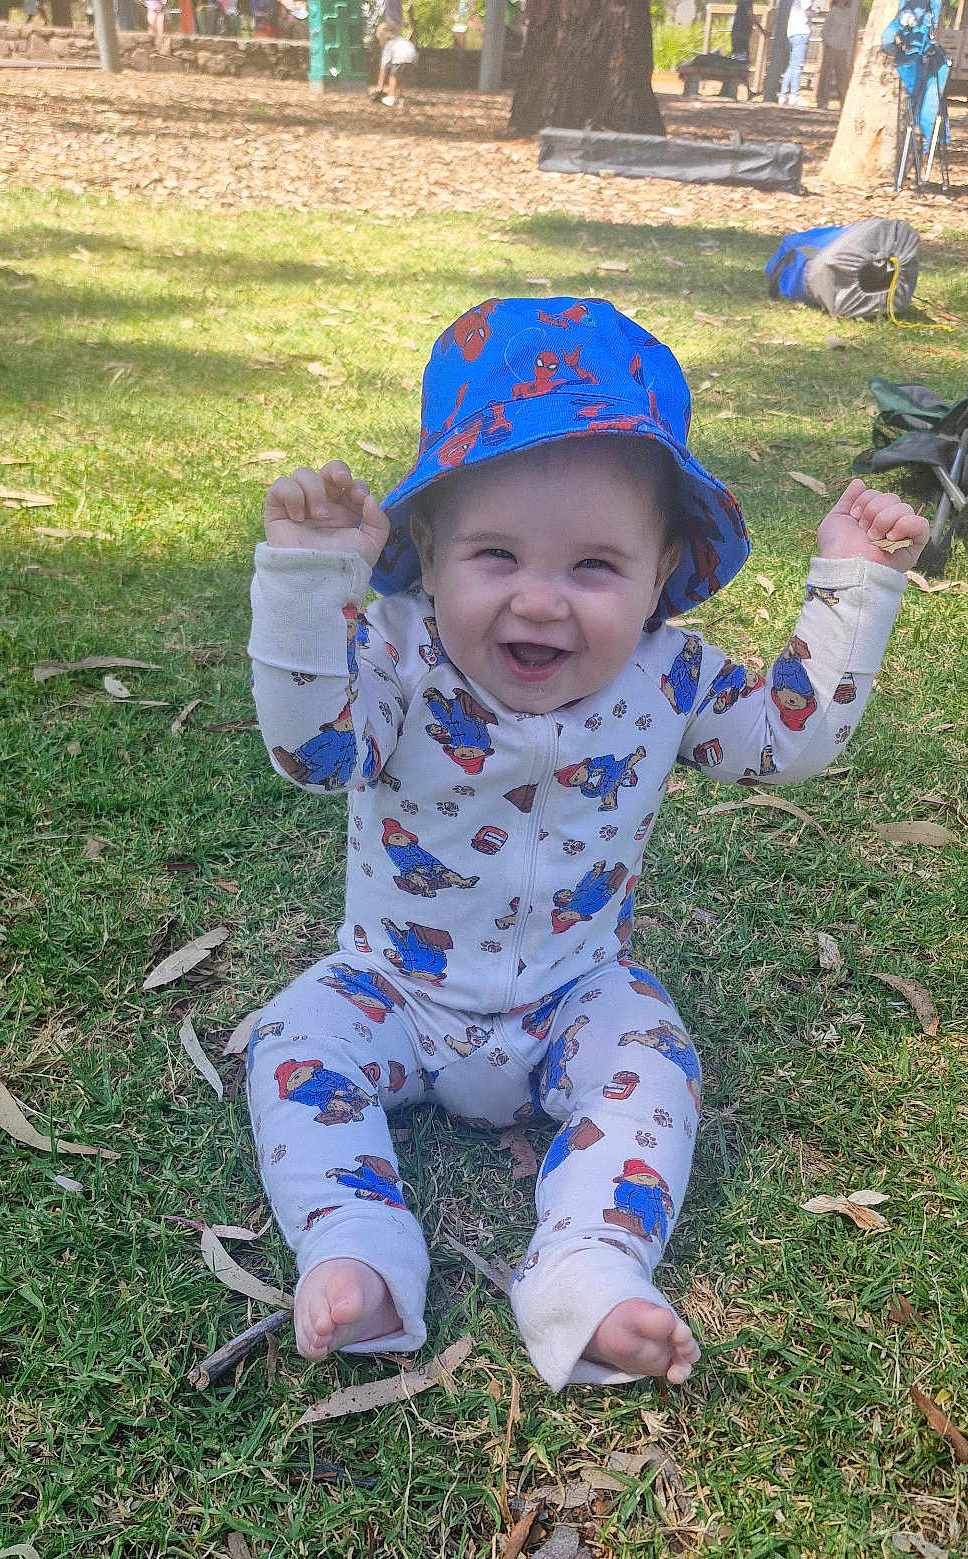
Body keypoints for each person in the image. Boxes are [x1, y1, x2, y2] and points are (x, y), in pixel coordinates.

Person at [246, 298, 926, 1391]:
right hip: (391, 989)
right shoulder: (395, 657)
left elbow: (781, 745)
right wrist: (305, 587)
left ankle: (590, 1266)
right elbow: (311, 753)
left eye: (596, 567)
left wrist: (851, 584)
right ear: (426, 550)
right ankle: (356, 1241)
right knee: (289, 1044)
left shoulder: (670, 676)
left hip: (573, 995)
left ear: (664, 575)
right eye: (496, 553)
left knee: (655, 1058)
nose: (540, 600)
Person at [778, 0, 815, 104]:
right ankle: (795, 95)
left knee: (792, 66)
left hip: (792, 33)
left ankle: (783, 94)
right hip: (801, 33)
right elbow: (808, 10)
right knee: (798, 66)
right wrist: (816, 11)